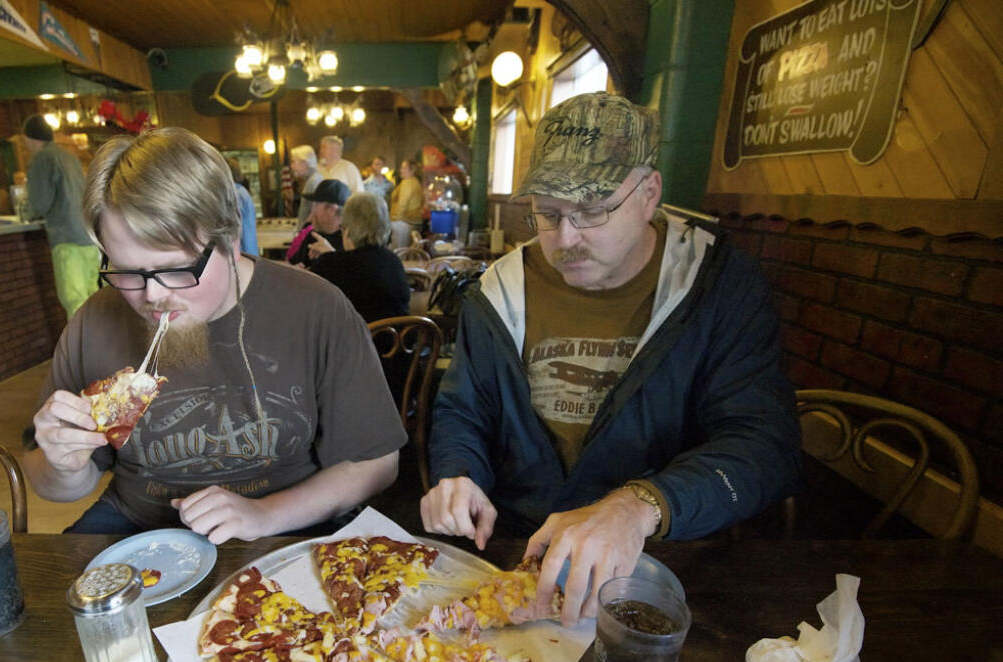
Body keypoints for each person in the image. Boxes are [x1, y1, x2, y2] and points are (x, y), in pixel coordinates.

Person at [420, 92, 802, 626]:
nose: (566, 238)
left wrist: (639, 506)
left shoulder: (718, 288)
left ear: (650, 193)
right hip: (515, 553)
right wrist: (459, 474)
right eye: (548, 214)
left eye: (593, 210)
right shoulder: (499, 291)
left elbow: (766, 445)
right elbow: (464, 411)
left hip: (662, 566)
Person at [25, 127, 404, 541]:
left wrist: (264, 515)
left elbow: (378, 463)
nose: (152, 296)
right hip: (138, 525)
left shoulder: (316, 307)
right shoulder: (95, 320)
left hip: (289, 523)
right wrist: (63, 466)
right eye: (129, 271)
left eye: (175, 268)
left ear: (231, 239)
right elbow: (53, 485)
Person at [22, 114, 99, 317]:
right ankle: (103, 346)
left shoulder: (42, 158)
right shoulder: (69, 157)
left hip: (67, 239)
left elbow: (40, 202)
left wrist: (27, 214)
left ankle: (84, 348)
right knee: (94, 298)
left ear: (30, 138)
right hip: (88, 237)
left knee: (75, 301)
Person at [309, 191, 409, 325]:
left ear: (348, 229)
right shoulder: (393, 261)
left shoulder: (330, 265)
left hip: (356, 345)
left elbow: (307, 304)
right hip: (399, 343)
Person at [285, 179, 348, 269]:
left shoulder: (351, 241)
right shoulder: (312, 236)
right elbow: (293, 264)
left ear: (332, 209)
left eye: (316, 205)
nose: (312, 211)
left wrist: (331, 255)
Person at [226, 156, 259, 256]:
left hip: (241, 252)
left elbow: (244, 228)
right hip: (245, 250)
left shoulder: (235, 193)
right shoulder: (240, 191)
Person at [389, 158, 423, 248]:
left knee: (399, 252)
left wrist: (393, 221)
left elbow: (402, 205)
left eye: (404, 168)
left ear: (412, 170)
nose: (401, 170)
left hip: (403, 223)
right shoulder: (415, 181)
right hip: (413, 223)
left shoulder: (407, 183)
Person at [289, 144, 323, 229]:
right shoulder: (312, 179)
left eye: (293, 162)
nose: (291, 166)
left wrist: (303, 232)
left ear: (304, 163)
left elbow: (316, 212)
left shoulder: (314, 181)